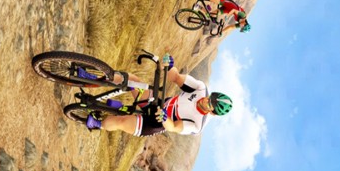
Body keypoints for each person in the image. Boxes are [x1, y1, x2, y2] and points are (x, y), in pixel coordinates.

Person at [84, 54, 233, 136]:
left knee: (121, 122)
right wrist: (170, 65)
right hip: (156, 103)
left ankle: (96, 124)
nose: (206, 100)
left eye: (209, 103)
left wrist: (164, 118)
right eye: (210, 97)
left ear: (212, 112)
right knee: (132, 80)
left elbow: (174, 127)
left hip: (156, 122)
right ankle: (94, 79)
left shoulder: (198, 124)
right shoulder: (200, 89)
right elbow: (175, 77)